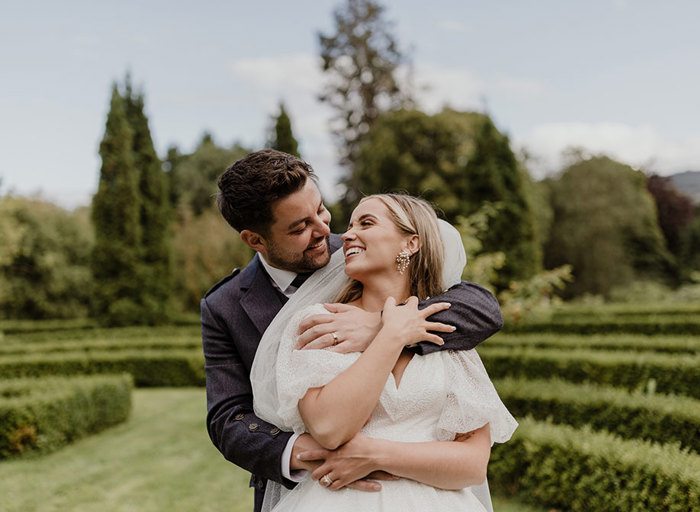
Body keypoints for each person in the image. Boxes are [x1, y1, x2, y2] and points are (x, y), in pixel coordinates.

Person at [201, 149, 504, 512]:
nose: (328, 231)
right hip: (326, 489)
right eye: (299, 227)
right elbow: (227, 417)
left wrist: (383, 326)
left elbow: (481, 306)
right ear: (255, 240)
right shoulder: (224, 306)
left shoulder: (358, 250)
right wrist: (314, 453)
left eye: (321, 209)